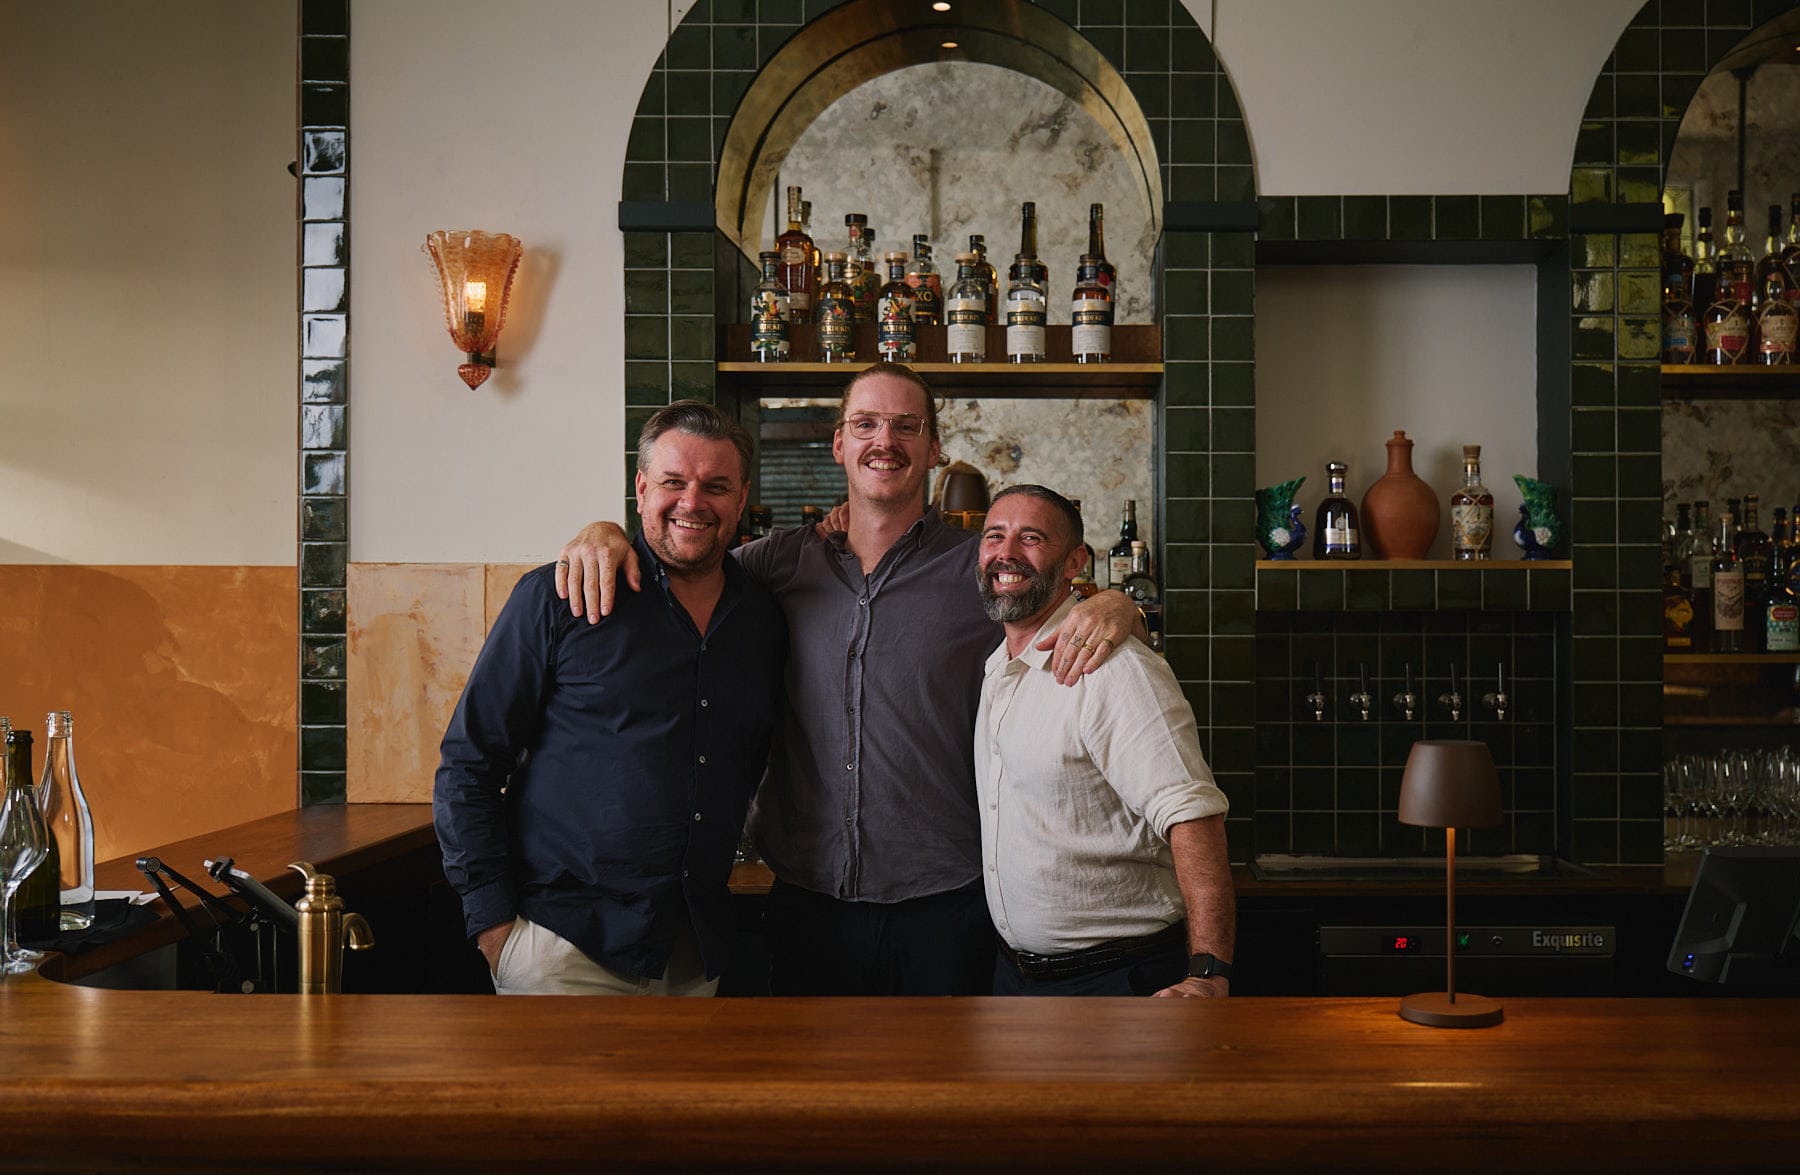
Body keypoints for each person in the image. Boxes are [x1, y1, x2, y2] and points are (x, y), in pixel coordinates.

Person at [556, 362, 1143, 995]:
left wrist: (1120, 605)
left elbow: (1069, 601)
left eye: (905, 426)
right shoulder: (773, 564)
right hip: (807, 902)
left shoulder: (976, 569)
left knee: (943, 1092)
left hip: (949, 904)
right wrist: (605, 531)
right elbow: (683, 551)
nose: (883, 442)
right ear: (839, 443)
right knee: (811, 1092)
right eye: (864, 424)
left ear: (935, 448)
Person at [434, 401, 786, 996]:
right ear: (642, 487)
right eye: (673, 482)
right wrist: (494, 926)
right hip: (565, 951)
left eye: (716, 486)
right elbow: (470, 762)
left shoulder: (763, 618)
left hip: (694, 954)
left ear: (743, 495)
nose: (692, 502)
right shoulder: (559, 596)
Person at [975, 484, 1235, 997]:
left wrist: (1208, 974)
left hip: (1118, 978)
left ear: (1075, 560)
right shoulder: (1000, 668)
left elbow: (1193, 818)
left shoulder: (1116, 669)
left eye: (1031, 538)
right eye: (994, 536)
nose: (1006, 553)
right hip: (1015, 978)